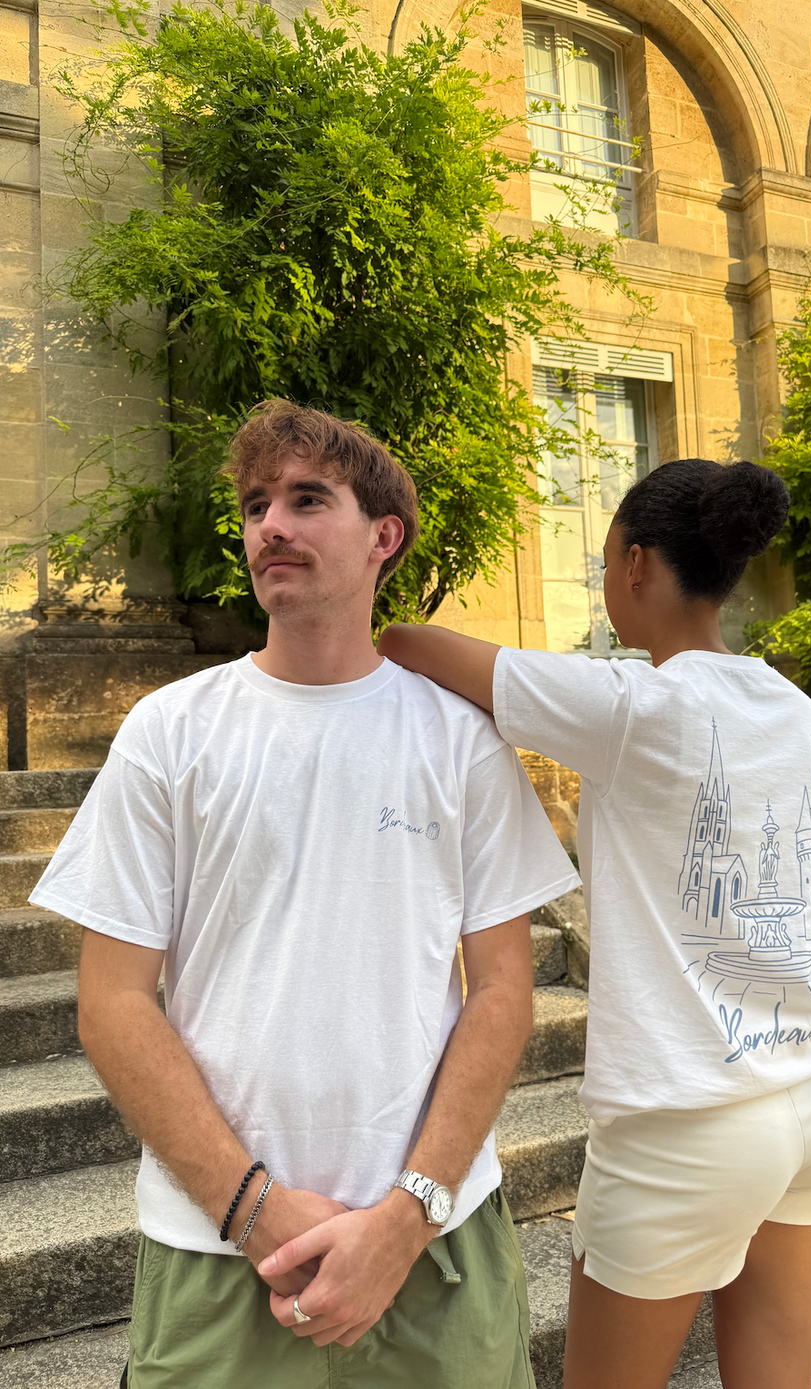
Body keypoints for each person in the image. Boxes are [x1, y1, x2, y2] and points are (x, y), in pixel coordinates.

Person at [31, 400, 580, 1389]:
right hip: (217, 1251)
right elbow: (112, 1002)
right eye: (254, 505)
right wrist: (252, 1210)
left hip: (434, 1247)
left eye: (305, 499)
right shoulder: (171, 732)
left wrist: (408, 1213)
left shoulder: (456, 740)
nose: (268, 526)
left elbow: (501, 990)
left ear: (384, 537)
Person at [377, 458, 811, 1389]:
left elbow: (410, 643)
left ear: (637, 564)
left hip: (686, 1123)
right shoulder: (802, 717)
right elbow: (809, 923)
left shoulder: (633, 705)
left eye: (605, 562)